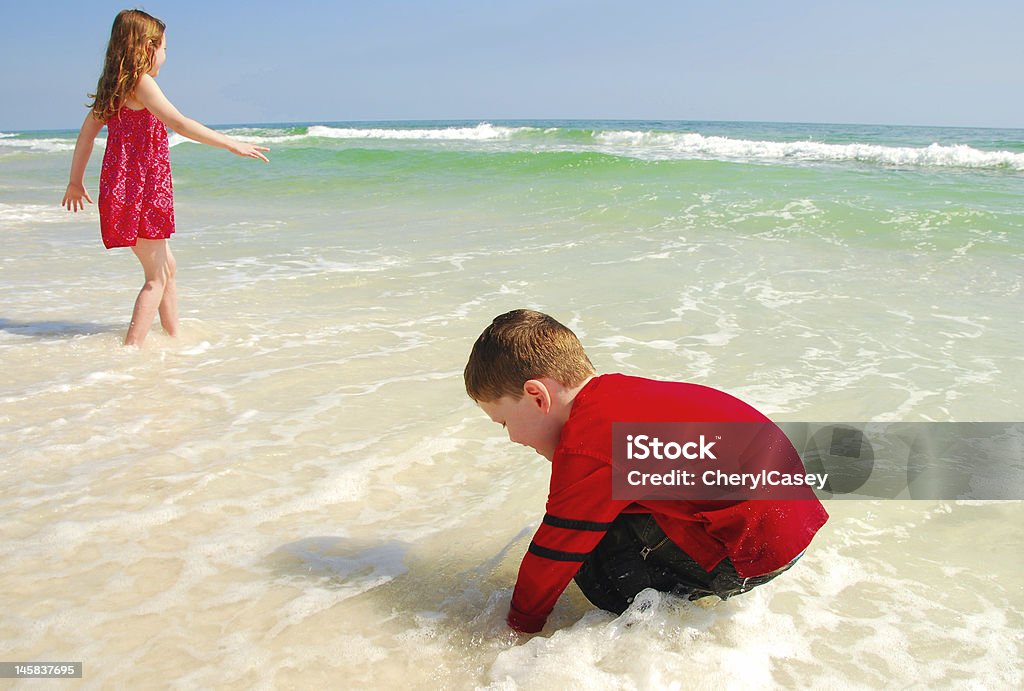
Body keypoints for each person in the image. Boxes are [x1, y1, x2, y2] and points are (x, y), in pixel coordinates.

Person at [464, 309, 829, 634]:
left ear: (538, 396)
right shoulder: (619, 396)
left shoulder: (587, 443)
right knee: (608, 507)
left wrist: (517, 627)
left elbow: (553, 553)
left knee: (590, 554)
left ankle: (656, 633)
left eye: (504, 422)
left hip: (754, 554)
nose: (511, 437)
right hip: (792, 522)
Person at [61, 9, 269, 346]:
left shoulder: (111, 88)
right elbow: (180, 122)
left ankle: (174, 337)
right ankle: (130, 352)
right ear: (146, 47)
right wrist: (232, 143)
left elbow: (85, 136)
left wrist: (75, 180)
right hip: (143, 193)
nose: (166, 55)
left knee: (167, 267)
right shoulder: (142, 85)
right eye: (164, 48)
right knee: (155, 277)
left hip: (122, 191)